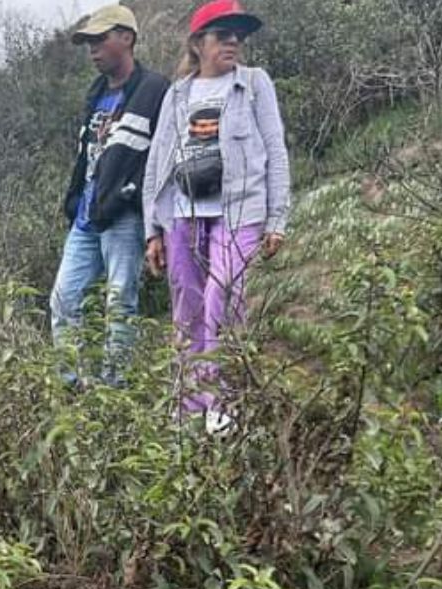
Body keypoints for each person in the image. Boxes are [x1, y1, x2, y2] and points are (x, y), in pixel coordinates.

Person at [141, 0, 290, 432]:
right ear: (197, 43)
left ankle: (223, 406)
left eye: (237, 35)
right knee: (186, 307)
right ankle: (188, 409)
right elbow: (158, 163)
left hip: (239, 209)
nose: (232, 42)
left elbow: (275, 150)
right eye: (222, 34)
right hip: (183, 213)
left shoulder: (255, 84)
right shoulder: (178, 94)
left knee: (221, 296)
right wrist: (153, 229)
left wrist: (277, 218)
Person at [52, 3, 170, 388]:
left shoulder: (154, 89)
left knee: (120, 305)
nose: (93, 49)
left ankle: (114, 390)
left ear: (127, 38)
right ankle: (73, 387)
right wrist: (73, 203)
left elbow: (163, 156)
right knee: (63, 300)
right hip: (86, 218)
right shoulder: (95, 94)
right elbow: (85, 158)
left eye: (100, 39)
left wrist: (145, 211)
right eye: (89, 42)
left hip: (124, 216)